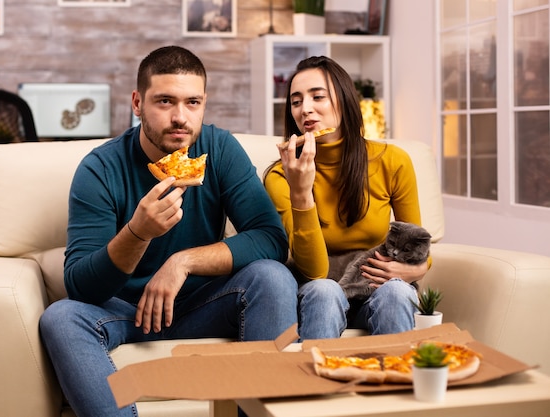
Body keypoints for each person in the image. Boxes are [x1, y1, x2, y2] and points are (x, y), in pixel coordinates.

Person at [39, 45, 298, 417]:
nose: (180, 118)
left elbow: (271, 238)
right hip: (126, 313)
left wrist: (183, 262)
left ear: (205, 104)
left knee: (272, 277)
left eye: (193, 102)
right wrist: (137, 233)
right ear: (137, 103)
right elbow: (80, 284)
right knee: (61, 318)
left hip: (201, 306)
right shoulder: (100, 169)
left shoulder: (219, 150)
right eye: (164, 101)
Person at [264, 56, 428, 339]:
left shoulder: (392, 161)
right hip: (317, 292)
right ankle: (320, 383)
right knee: (325, 290)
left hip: (374, 289)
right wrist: (301, 191)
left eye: (318, 97)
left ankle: (396, 379)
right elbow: (314, 272)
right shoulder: (280, 175)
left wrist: (417, 269)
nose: (306, 109)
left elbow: (417, 246)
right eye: (296, 101)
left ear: (344, 99)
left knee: (398, 292)